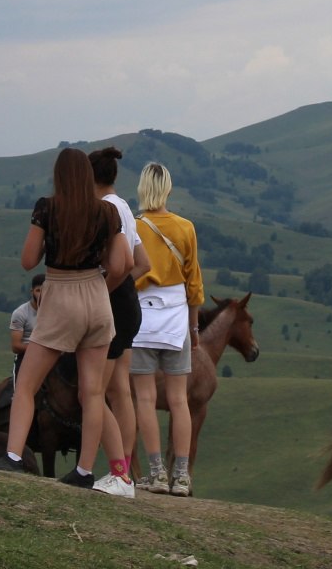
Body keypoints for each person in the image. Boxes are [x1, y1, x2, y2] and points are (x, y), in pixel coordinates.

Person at [0, 146, 129, 494]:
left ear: (59, 176)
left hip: (61, 296)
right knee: (93, 392)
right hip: (97, 298)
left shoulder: (47, 208)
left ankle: (14, 457)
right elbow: (121, 264)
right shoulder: (108, 213)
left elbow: (28, 259)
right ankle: (83, 470)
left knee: (28, 384)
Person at [128, 161, 203, 497]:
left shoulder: (133, 224)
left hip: (141, 316)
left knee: (144, 398)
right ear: (169, 188)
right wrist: (194, 326)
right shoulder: (185, 227)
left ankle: (156, 474)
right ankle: (182, 476)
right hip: (176, 319)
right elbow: (195, 283)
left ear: (143, 188)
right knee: (178, 400)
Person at [89, 145, 148, 497]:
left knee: (94, 391)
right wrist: (122, 286)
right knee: (119, 390)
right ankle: (124, 470)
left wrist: (100, 288)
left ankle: (118, 473)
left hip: (112, 303)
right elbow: (143, 265)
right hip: (130, 303)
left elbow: (123, 264)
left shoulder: (104, 209)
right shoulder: (124, 206)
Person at [9, 274, 44, 382]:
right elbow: (15, 346)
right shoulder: (20, 313)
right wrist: (40, 349)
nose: (42, 294)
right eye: (38, 290)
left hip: (51, 356)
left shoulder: (56, 312)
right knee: (19, 389)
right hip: (25, 357)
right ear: (32, 291)